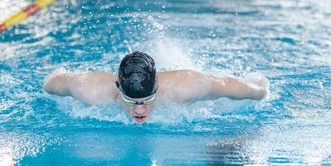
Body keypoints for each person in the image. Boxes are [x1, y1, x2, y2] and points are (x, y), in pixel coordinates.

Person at [43, 51, 269, 124]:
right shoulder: (91, 90)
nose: (139, 110)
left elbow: (228, 85)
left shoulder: (185, 87)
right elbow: (53, 82)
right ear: (117, 88)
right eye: (131, 101)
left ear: (157, 87)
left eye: (146, 101)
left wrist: (260, 90)